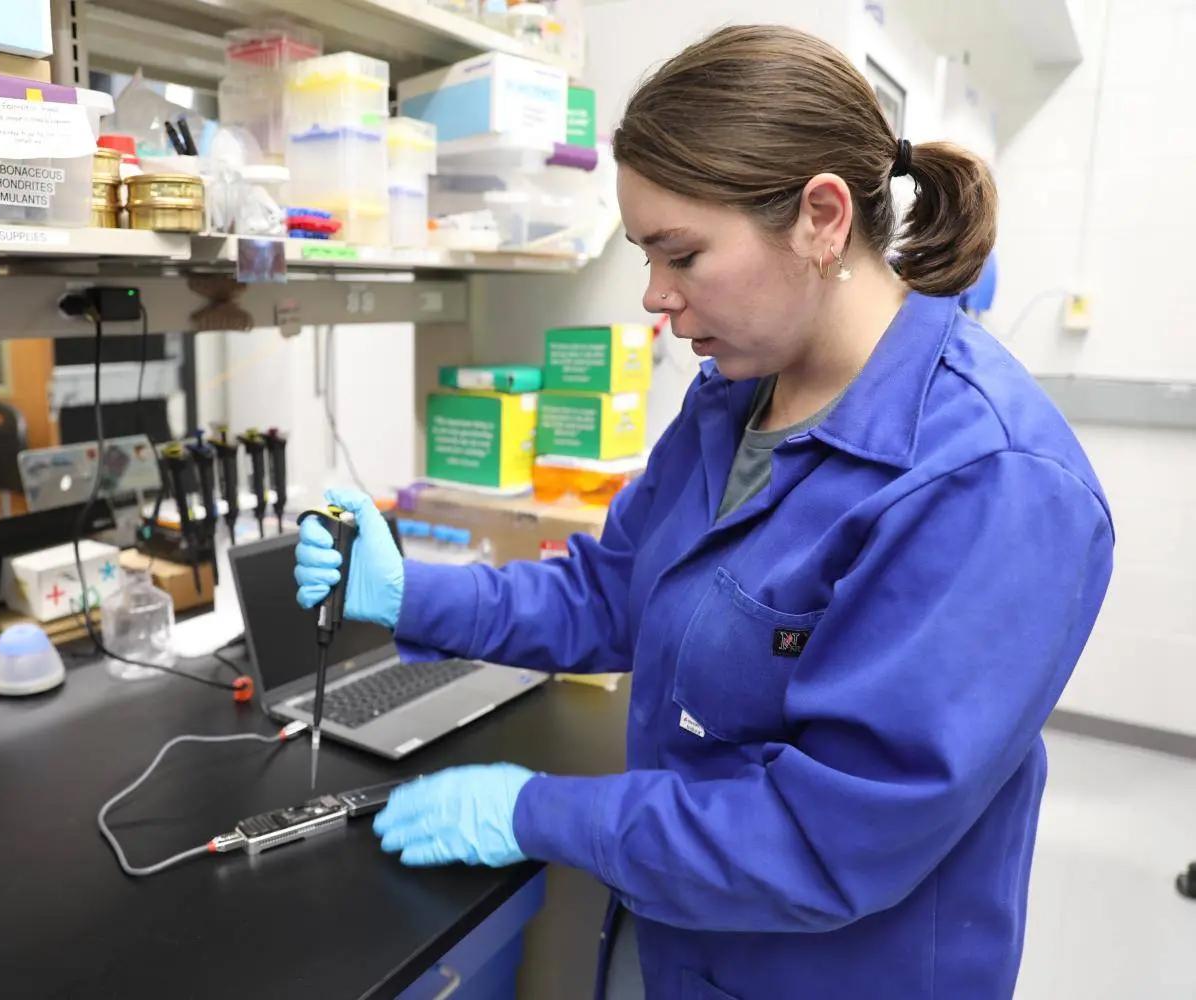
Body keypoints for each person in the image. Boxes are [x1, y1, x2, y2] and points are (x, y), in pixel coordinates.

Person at [295, 25, 1113, 1000]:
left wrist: (539, 811)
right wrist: (410, 592)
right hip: (685, 929)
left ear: (820, 217)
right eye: (647, 254)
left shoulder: (988, 481)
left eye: (681, 254)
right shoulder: (736, 394)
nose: (655, 297)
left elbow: (824, 840)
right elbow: (614, 592)